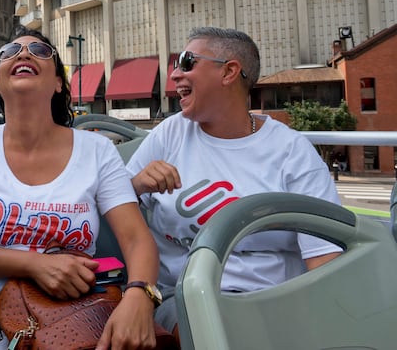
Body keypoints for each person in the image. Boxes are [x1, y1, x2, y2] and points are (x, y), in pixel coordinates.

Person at [0, 28, 162, 349]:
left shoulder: (96, 150)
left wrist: (140, 295)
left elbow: (137, 239)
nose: (23, 54)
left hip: (77, 322)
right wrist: (35, 265)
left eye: (40, 51)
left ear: (58, 83)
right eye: (11, 51)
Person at [126, 26, 342, 345]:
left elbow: (325, 262)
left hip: (275, 303)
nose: (174, 75)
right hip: (184, 299)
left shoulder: (291, 151)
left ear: (229, 72)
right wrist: (137, 184)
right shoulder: (169, 134)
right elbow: (113, 204)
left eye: (187, 62)